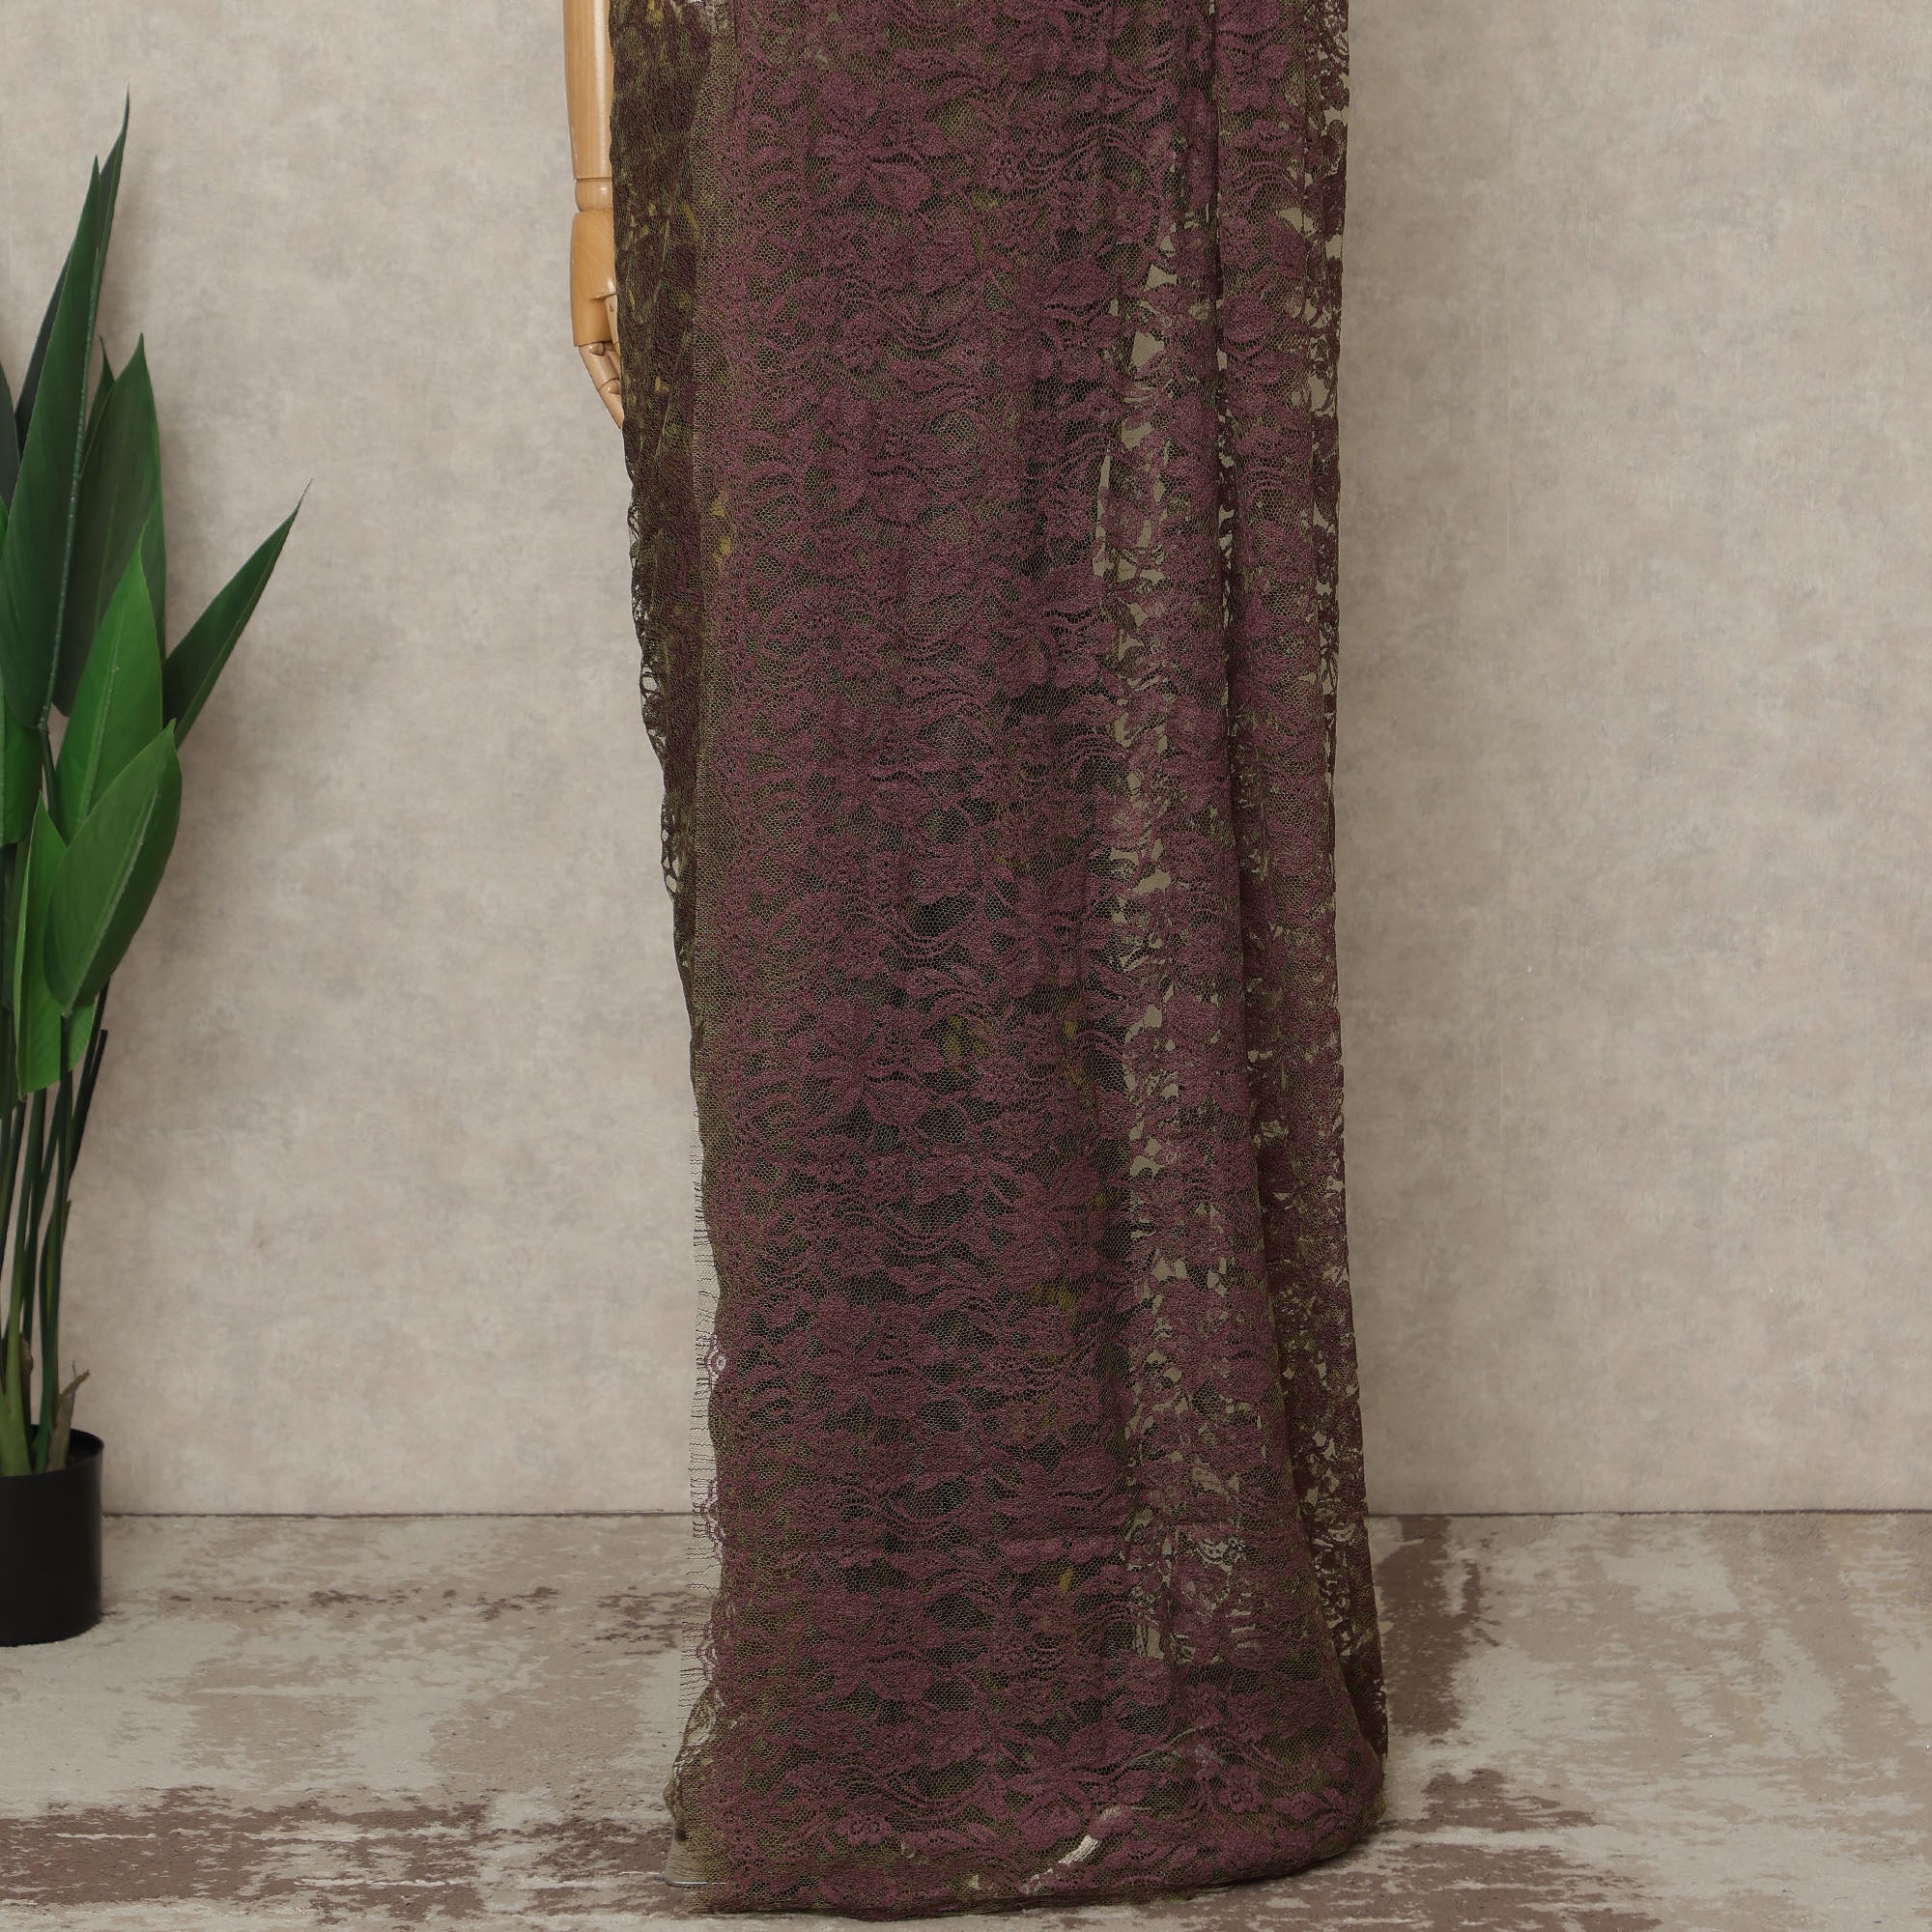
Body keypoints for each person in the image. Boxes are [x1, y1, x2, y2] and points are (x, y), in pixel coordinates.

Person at [561, 0, 1389, 1913]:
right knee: (831, 842)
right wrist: (605, 177)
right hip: (819, 107)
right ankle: (863, 1648)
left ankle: (1106, 1622)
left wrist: (604, 183)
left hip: (1101, 96)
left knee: (1087, 759)